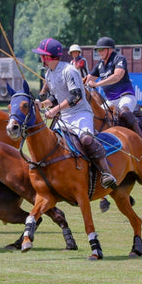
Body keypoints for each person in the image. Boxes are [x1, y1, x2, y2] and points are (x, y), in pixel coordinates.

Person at [34, 38, 117, 189]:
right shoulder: (48, 74)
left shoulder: (69, 70)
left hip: (80, 114)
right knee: (49, 142)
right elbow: (54, 97)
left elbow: (76, 96)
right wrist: (43, 104)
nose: (40, 57)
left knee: (86, 140)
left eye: (41, 55)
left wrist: (54, 110)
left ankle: (106, 172)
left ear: (48, 56)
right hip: (64, 116)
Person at [85, 36, 142, 138]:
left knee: (124, 113)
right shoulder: (100, 65)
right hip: (111, 101)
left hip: (125, 96)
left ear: (110, 49)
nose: (99, 52)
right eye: (98, 50)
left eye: (101, 50)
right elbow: (87, 79)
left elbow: (118, 76)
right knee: (94, 115)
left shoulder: (119, 59)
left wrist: (98, 84)